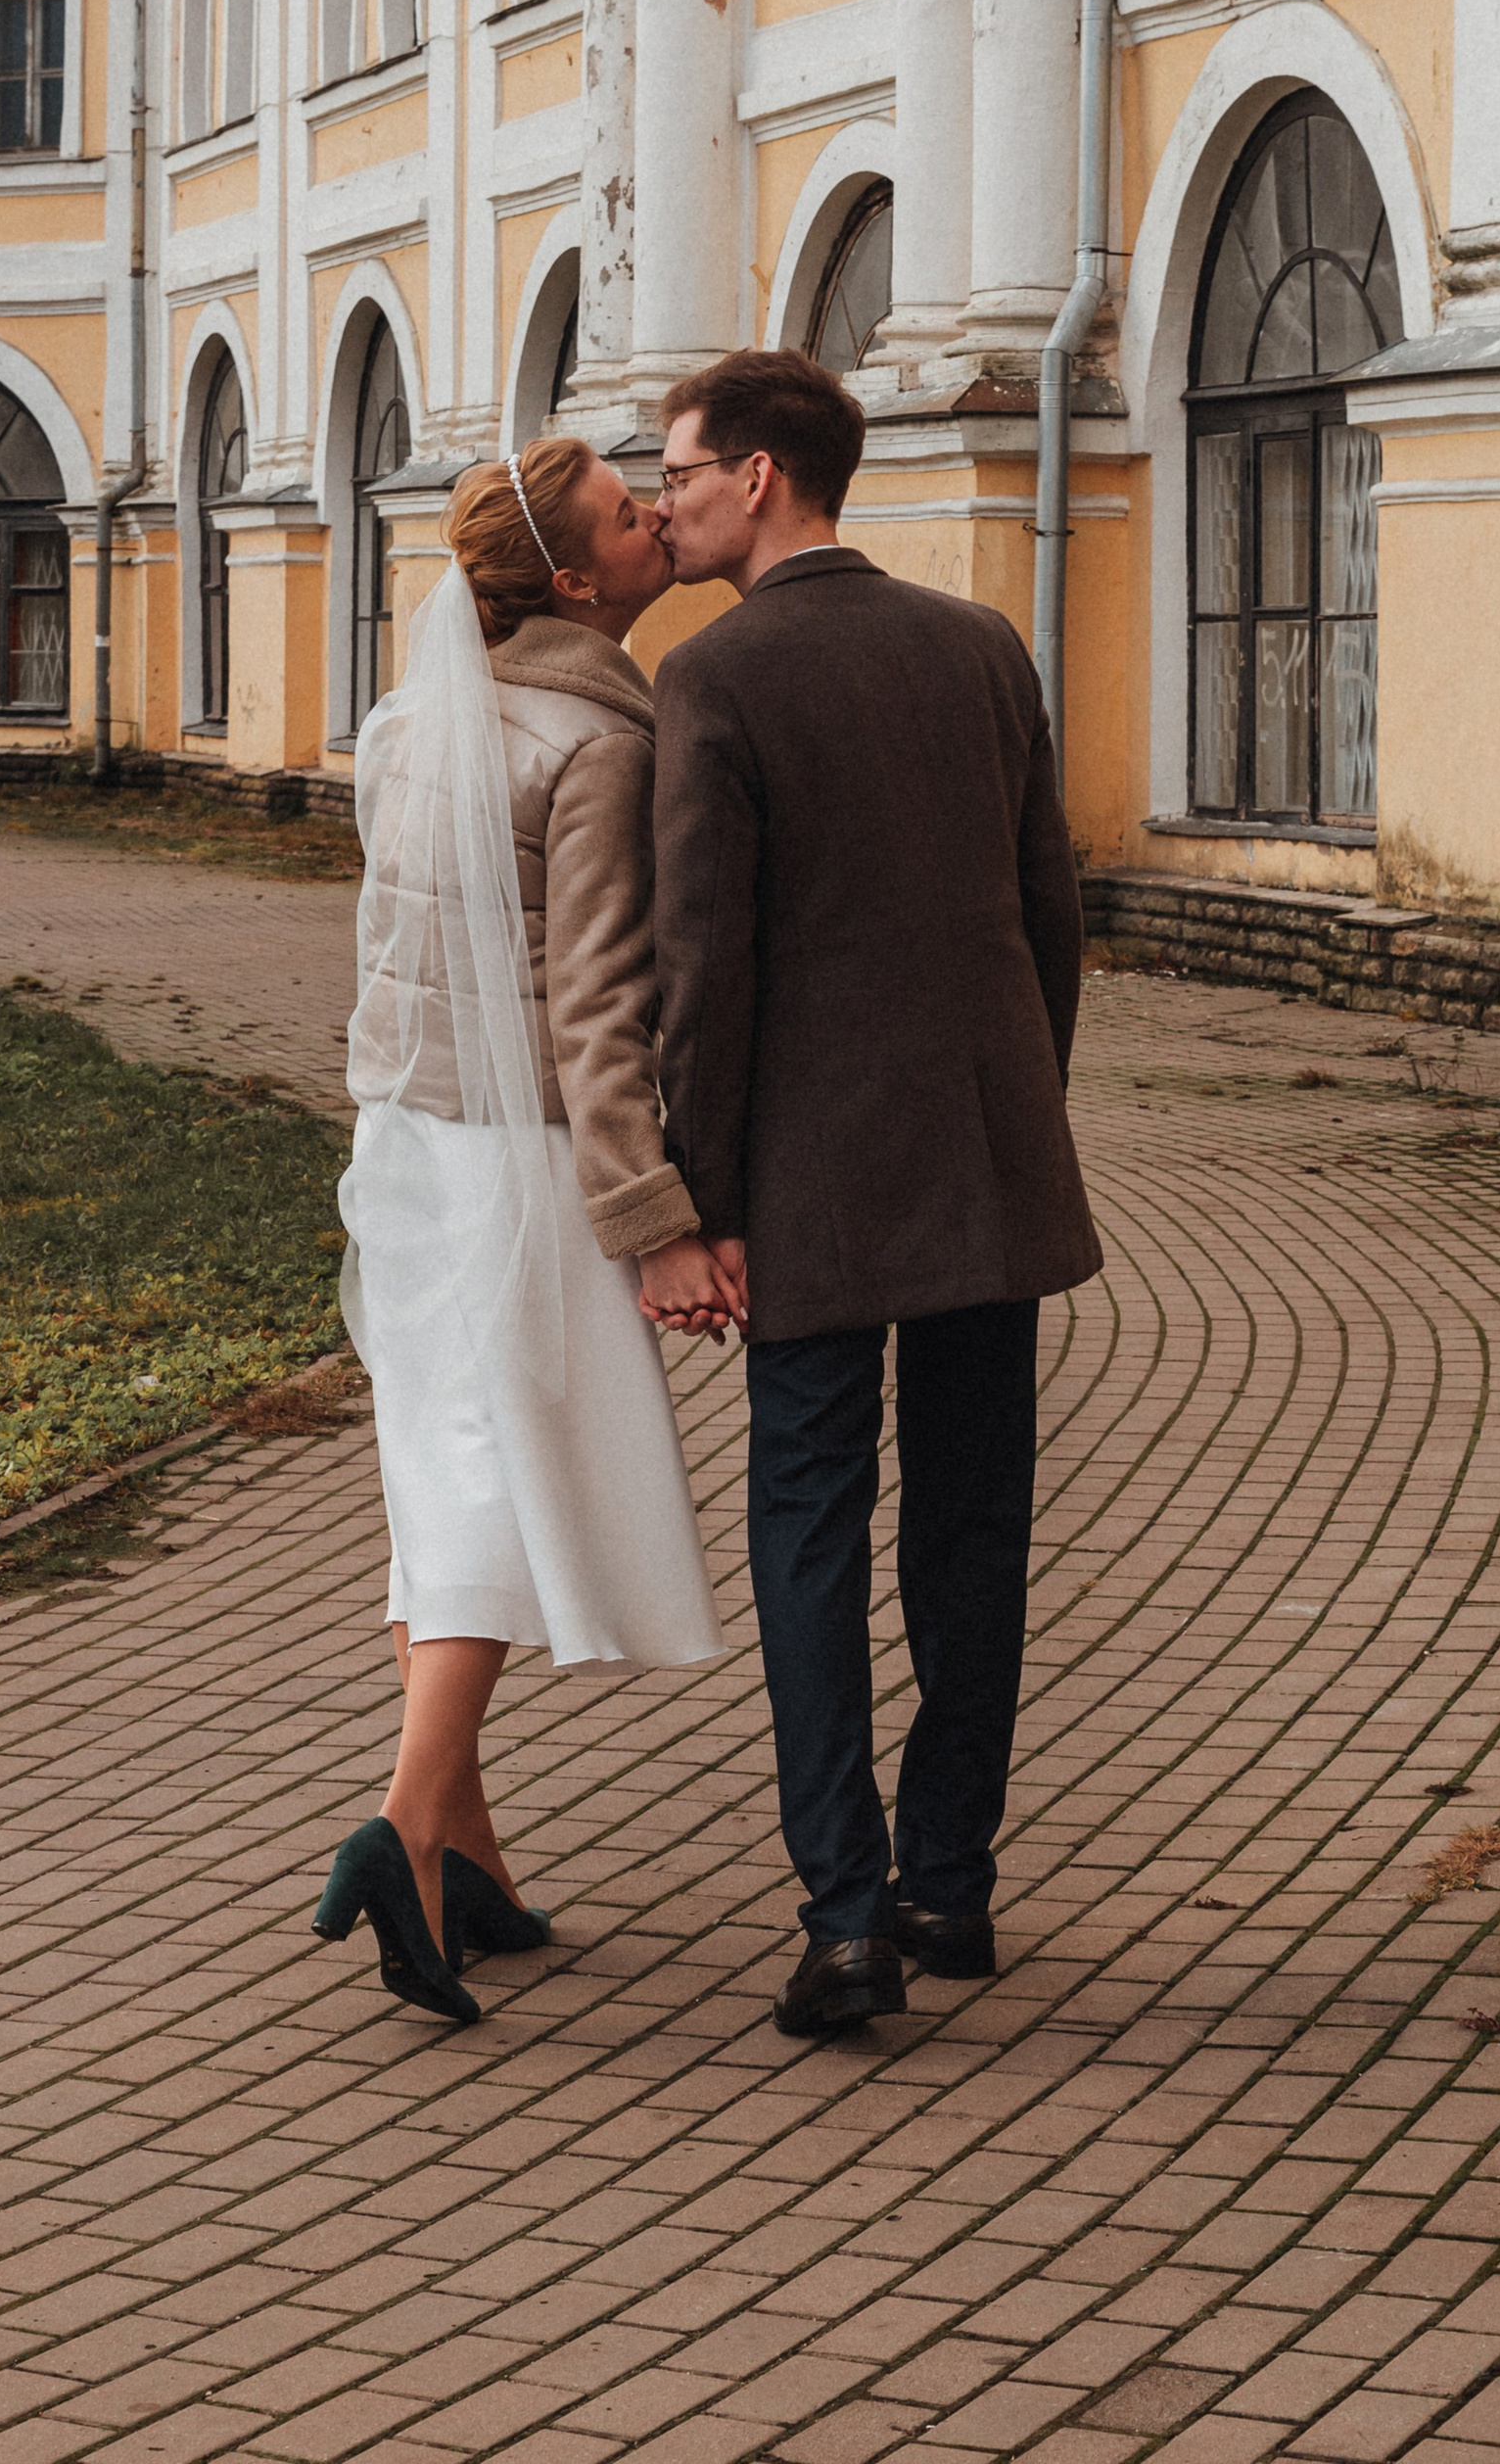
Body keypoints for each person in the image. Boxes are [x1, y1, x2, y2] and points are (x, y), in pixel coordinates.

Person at [649, 350, 1102, 2040]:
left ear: (760, 477)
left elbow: (709, 963)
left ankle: (846, 1916)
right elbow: (1050, 913)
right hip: (986, 1159)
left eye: (682, 468)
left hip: (811, 1177)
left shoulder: (723, 676)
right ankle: (950, 1884)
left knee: (809, 1530)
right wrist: (1013, 1100)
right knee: (978, 1522)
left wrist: (702, 1190)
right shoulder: (981, 645)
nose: (669, 495)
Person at [313, 437, 735, 2026]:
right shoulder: (597, 740)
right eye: (631, 519)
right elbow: (597, 1008)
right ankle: (409, 1828)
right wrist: (655, 1213)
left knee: (440, 1460)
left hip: (403, 1138)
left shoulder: (409, 714)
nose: (656, 524)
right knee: (505, 1469)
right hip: (522, 1157)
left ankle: (470, 1854)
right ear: (571, 580)